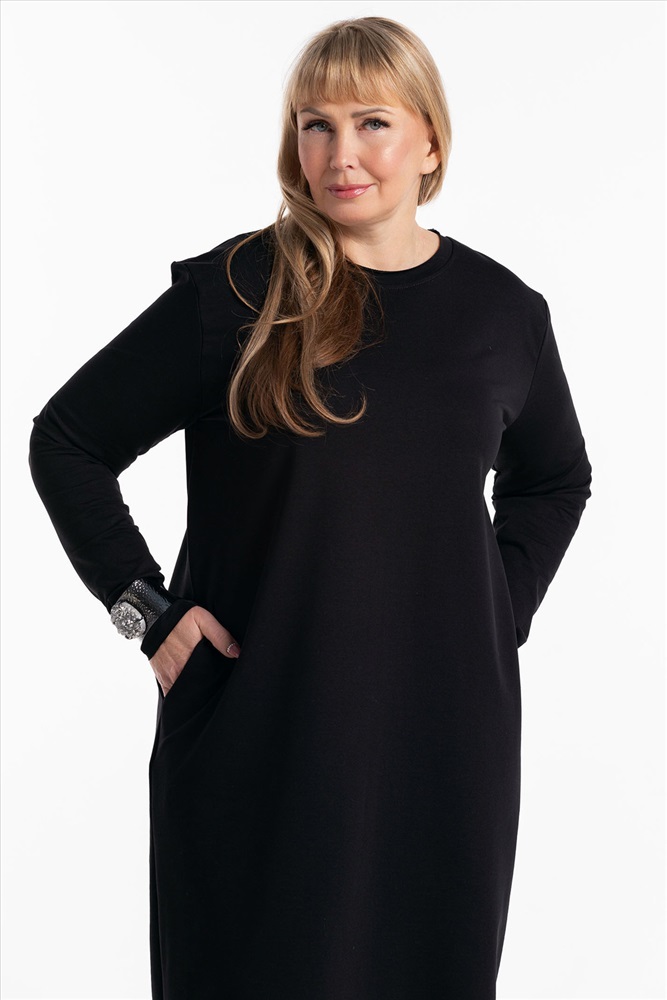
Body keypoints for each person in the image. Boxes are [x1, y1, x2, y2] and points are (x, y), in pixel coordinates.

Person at [28, 15, 593, 1000]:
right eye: (315, 125)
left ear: (430, 142)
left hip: (445, 735)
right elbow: (66, 440)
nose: (340, 155)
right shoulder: (238, 293)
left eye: (372, 122)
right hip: (261, 725)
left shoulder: (503, 313)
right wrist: (144, 612)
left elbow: (554, 478)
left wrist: (493, 610)